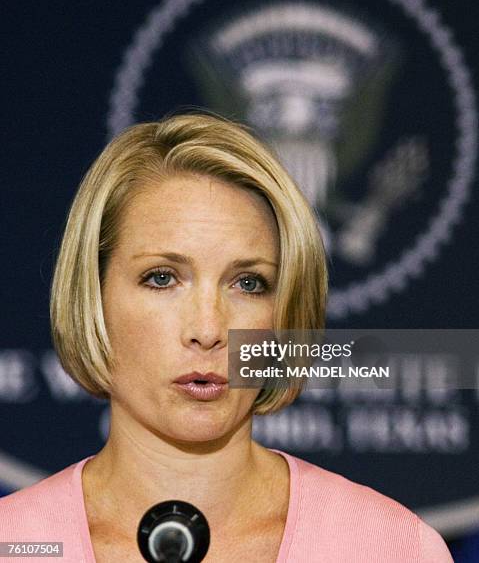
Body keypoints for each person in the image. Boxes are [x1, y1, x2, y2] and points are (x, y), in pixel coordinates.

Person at [0, 112, 453, 562]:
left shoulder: (392, 549)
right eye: (162, 278)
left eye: (249, 283)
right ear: (93, 296)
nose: (208, 330)